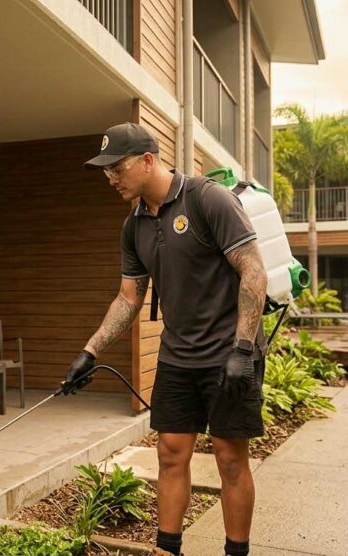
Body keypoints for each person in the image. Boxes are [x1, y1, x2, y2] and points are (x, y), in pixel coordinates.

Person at [62, 123, 268, 556]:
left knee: (231, 459)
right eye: (105, 171)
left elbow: (253, 270)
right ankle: (166, 550)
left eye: (116, 167)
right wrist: (90, 350)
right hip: (178, 355)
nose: (111, 178)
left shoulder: (207, 199)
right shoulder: (133, 225)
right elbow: (128, 297)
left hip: (229, 352)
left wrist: (242, 351)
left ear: (149, 160)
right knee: (171, 454)